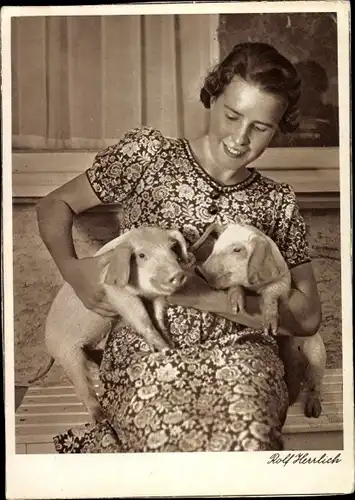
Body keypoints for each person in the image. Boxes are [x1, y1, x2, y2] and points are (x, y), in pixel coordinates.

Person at [36, 42, 321, 452]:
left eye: (261, 127)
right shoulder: (149, 156)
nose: (241, 138)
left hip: (243, 357)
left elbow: (308, 316)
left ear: (279, 127)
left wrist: (203, 297)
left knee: (245, 442)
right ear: (212, 97)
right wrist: (72, 270)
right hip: (147, 347)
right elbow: (54, 204)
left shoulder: (277, 201)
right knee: (164, 441)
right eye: (232, 115)